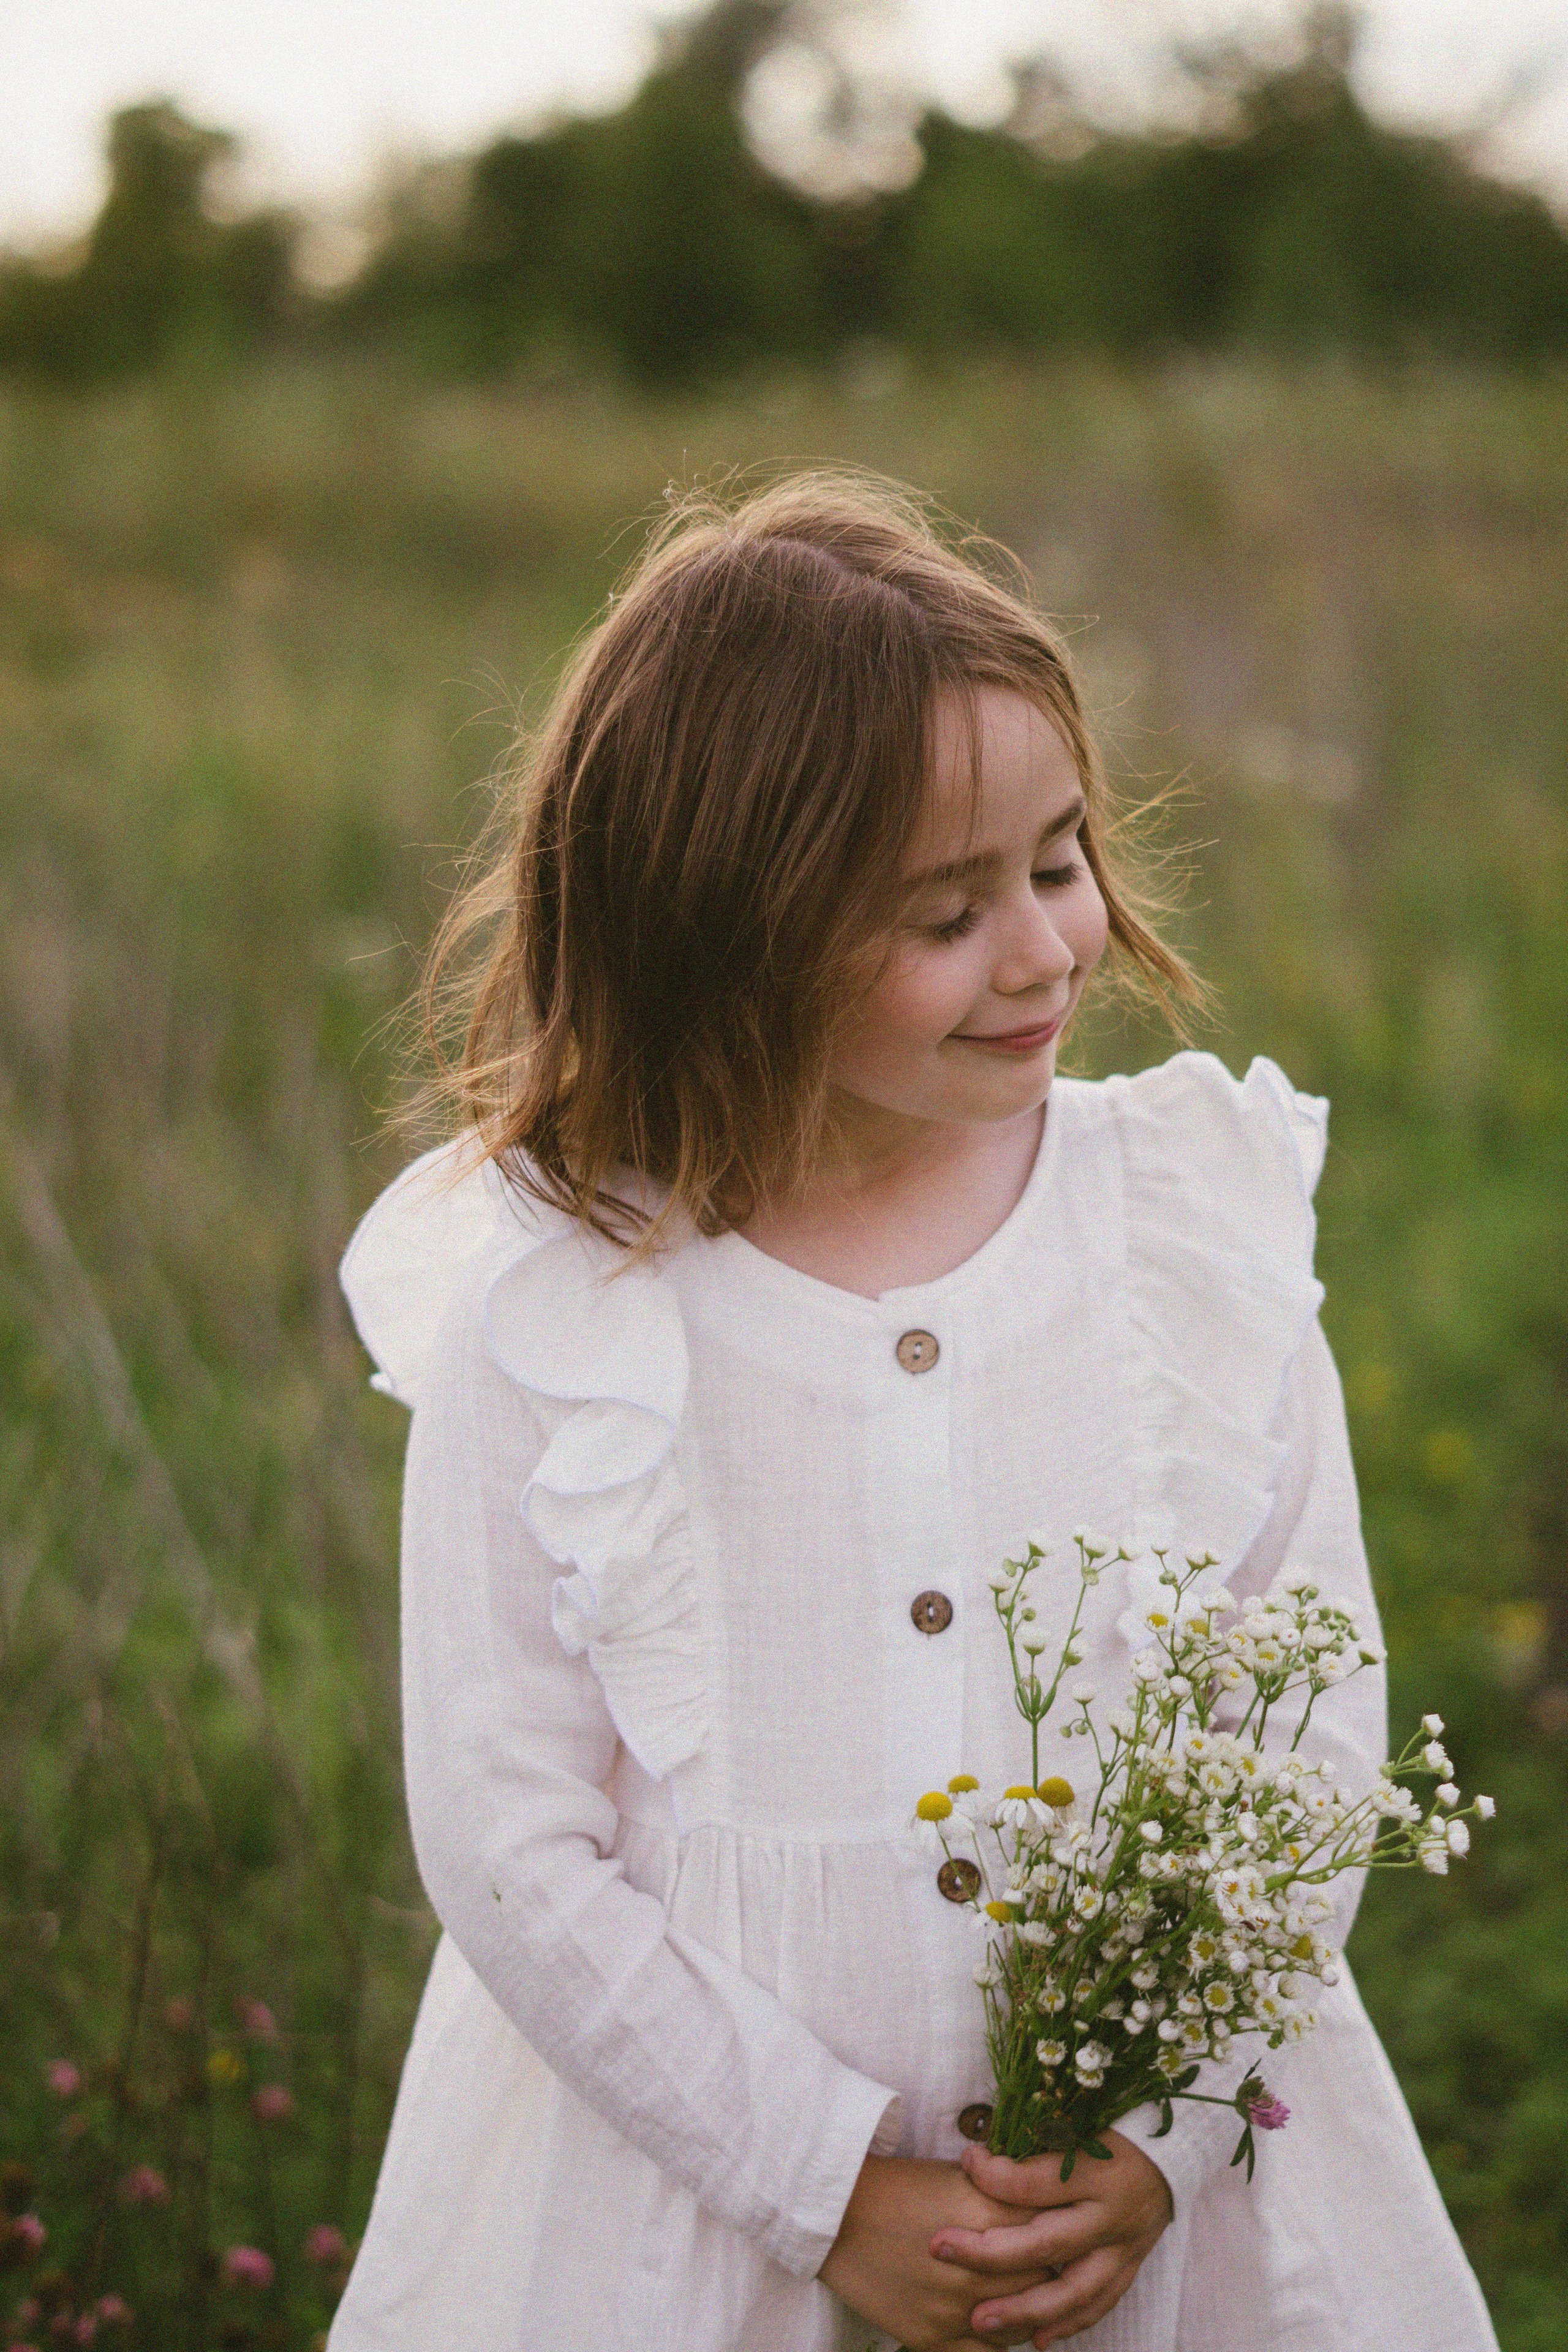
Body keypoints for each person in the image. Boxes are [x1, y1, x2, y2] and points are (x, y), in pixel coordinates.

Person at [329, 472, 1498, 2352]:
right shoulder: (563, 1308)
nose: (1046, 950)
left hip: (1174, 2231)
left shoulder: (1187, 1235)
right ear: (726, 932)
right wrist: (824, 2192)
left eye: (1058, 861)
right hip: (684, 2224)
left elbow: (1309, 1723)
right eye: (947, 912)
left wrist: (1167, 2140)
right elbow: (506, 1837)